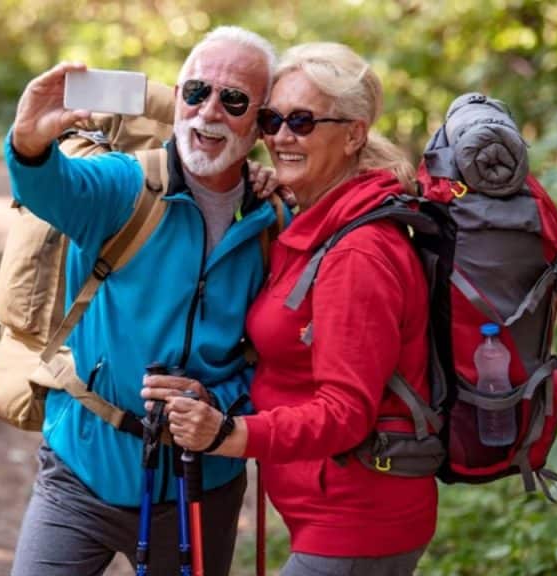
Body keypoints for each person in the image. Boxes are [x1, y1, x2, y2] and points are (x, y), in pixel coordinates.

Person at [5, 27, 284, 575]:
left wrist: (216, 402)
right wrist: (28, 143)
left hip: (200, 484)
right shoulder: (125, 187)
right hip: (82, 467)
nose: (209, 113)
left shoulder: (274, 223)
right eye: (196, 91)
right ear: (176, 96)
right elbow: (49, 187)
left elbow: (283, 359)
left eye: (233, 101)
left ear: (260, 121)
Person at [165, 42, 436, 576]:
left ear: (354, 133)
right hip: (332, 518)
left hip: (359, 523)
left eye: (303, 121)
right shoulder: (314, 224)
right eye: (272, 119)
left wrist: (228, 435)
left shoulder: (357, 253)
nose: (280, 136)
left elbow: (345, 412)